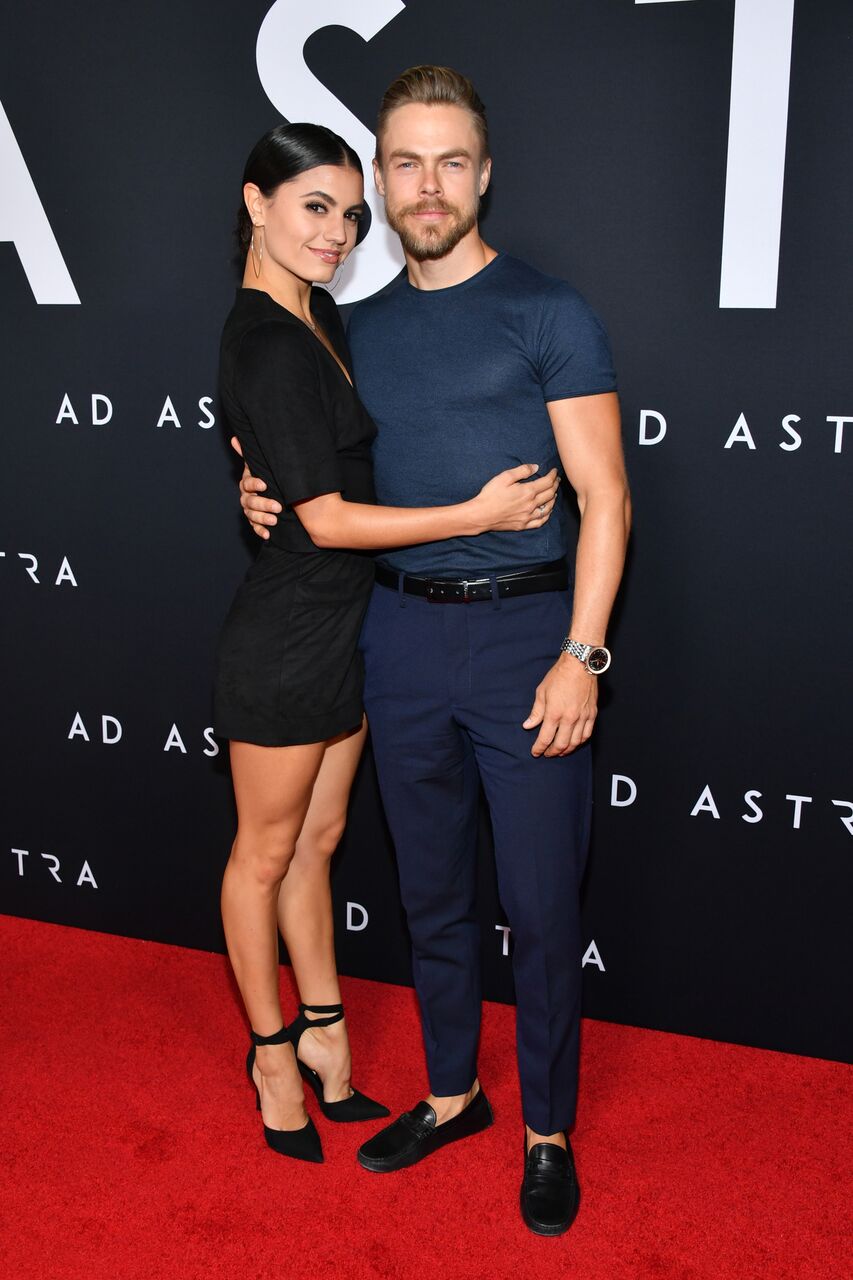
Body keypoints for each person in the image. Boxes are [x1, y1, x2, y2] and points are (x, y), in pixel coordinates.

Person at [240, 67, 630, 1232]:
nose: (425, 185)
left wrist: (583, 654)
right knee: (430, 892)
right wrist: (264, 489)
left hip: (527, 637)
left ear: (483, 174)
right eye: (402, 163)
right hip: (395, 632)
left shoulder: (549, 312)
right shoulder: (346, 328)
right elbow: (313, 467)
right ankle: (453, 1091)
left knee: (545, 905)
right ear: (380, 182)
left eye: (448, 161)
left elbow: (605, 497)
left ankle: (547, 1129)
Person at [215, 120, 561, 1167]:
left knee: (318, 844)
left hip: (349, 626)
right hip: (285, 635)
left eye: (349, 214)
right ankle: (272, 1053)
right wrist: (477, 514)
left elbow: (297, 462)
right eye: (315, 207)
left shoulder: (318, 315)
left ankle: (328, 1032)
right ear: (255, 204)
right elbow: (321, 517)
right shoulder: (269, 337)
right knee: (264, 853)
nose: (337, 232)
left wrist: (253, 469)